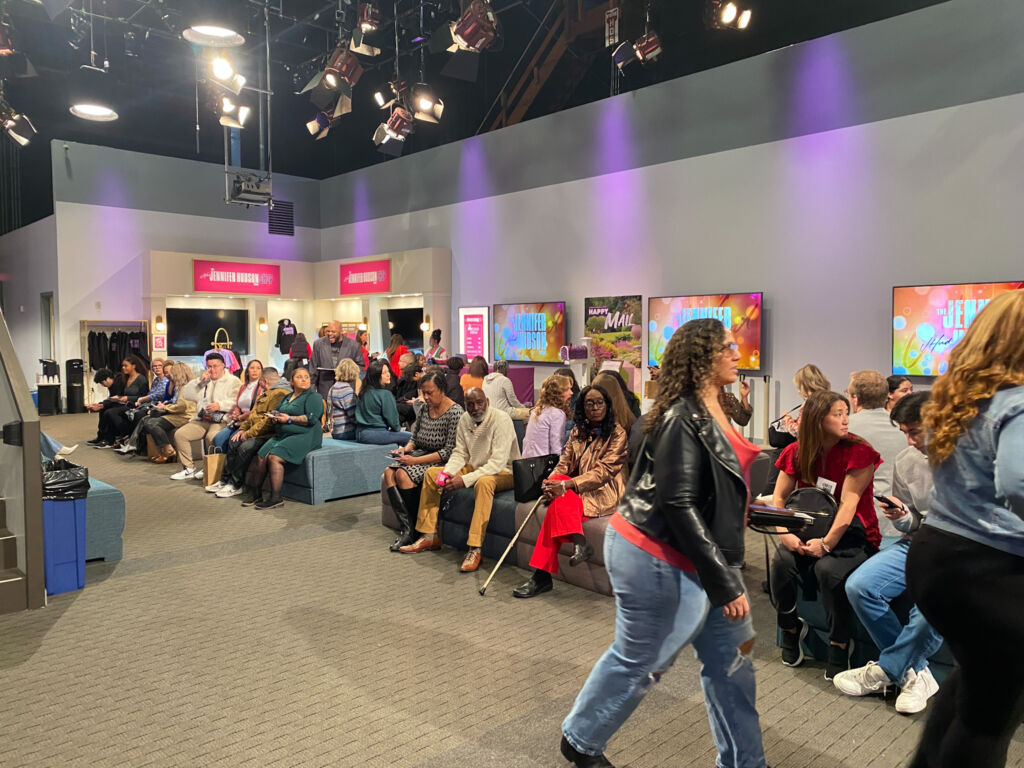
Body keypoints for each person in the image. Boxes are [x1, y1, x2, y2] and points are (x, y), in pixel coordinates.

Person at [560, 319, 766, 768]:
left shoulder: (717, 407)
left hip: (704, 555)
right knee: (642, 659)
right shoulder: (679, 417)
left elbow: (710, 489)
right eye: (727, 347)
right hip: (657, 555)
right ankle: (580, 739)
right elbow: (677, 501)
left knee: (733, 667)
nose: (737, 353)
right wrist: (725, 582)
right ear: (701, 358)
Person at [906, 290, 1024, 768]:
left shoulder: (962, 399)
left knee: (973, 685)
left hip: (938, 555)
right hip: (988, 571)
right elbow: (1018, 481)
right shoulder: (1017, 402)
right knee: (992, 715)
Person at [836, 392, 943, 714]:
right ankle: (916, 673)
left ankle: (890, 668)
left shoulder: (969, 459)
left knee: (931, 602)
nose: (909, 441)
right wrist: (903, 516)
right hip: (919, 541)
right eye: (905, 433)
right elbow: (912, 521)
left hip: (959, 550)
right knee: (860, 586)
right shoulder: (907, 460)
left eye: (915, 432)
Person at [770, 390, 881, 678]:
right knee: (781, 562)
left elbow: (848, 505)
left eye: (846, 413)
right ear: (818, 419)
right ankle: (791, 629)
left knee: (828, 571)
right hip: (808, 527)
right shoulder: (796, 451)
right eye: (837, 414)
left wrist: (827, 544)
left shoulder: (859, 452)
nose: (846, 420)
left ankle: (840, 644)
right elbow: (779, 498)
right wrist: (785, 534)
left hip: (853, 534)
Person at [513, 384, 629, 598]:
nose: (595, 408)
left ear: (607, 405)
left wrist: (566, 485)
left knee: (556, 507)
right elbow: (564, 462)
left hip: (603, 490)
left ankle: (542, 577)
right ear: (583, 407)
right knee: (558, 494)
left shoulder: (617, 434)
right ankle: (579, 544)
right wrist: (550, 482)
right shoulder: (578, 431)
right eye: (589, 404)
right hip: (574, 489)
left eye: (599, 403)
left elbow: (604, 472)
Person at [399, 388, 520, 573]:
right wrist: (447, 474)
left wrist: (464, 480)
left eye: (479, 403)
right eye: (470, 404)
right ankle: (429, 536)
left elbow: (497, 463)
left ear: (487, 402)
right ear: (466, 405)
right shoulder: (465, 419)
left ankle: (475, 548)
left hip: (505, 470)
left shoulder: (501, 419)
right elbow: (460, 453)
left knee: (484, 482)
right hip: (476, 466)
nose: (476, 408)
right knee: (432, 474)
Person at [384, 370, 464, 551]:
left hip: (439, 459)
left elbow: (449, 451)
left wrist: (415, 461)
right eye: (423, 392)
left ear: (441, 390)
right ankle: (408, 528)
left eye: (429, 393)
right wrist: (405, 449)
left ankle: (417, 530)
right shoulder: (424, 409)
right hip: (420, 453)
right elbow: (414, 437)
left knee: (403, 475)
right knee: (389, 472)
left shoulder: (455, 413)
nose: (425, 397)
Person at [246, 366, 324, 510]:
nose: (304, 380)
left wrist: (289, 419)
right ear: (291, 382)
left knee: (274, 457)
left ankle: (276, 498)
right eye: (299, 377)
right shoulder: (288, 397)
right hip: (283, 434)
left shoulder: (313, 397)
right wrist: (275, 416)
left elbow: (311, 419)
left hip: (305, 434)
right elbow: (278, 410)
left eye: (306, 377)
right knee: (261, 455)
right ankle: (256, 494)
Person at [210, 368, 292, 500]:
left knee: (245, 447)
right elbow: (253, 415)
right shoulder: (266, 393)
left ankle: (236, 484)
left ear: (264, 381)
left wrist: (249, 433)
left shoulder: (279, 393)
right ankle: (225, 480)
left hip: (269, 434)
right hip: (256, 431)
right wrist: (242, 429)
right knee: (234, 440)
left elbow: (268, 421)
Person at [847, 369, 910, 538]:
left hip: (856, 524)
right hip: (900, 521)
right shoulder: (905, 429)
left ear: (855, 399)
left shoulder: (844, 429)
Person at [170, 353, 242, 481]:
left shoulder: (233, 381)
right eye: (209, 367)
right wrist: (199, 381)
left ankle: (209, 467)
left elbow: (237, 401)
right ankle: (188, 468)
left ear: (223, 366)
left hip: (222, 419)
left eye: (215, 366)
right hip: (203, 419)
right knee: (180, 434)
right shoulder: (205, 380)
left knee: (211, 437)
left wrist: (220, 405)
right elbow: (187, 395)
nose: (212, 369)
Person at [142, 362, 198, 464]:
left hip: (185, 416)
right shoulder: (188, 385)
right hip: (184, 414)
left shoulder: (185, 387)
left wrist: (166, 407)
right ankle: (164, 451)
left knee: (151, 423)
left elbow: (181, 407)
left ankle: (168, 450)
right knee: (149, 420)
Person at [770, 363, 832, 450]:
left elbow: (799, 431)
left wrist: (786, 419)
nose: (798, 391)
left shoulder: (810, 404)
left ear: (805, 386)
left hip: (809, 449)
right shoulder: (829, 400)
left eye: (799, 388)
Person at [210, 359, 264, 454]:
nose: (255, 370)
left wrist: (241, 417)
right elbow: (238, 404)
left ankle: (230, 462)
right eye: (252, 368)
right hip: (238, 420)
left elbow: (256, 409)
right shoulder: (243, 387)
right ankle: (220, 462)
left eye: (258, 368)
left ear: (261, 371)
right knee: (218, 439)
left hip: (250, 420)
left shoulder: (261, 387)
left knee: (233, 440)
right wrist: (236, 413)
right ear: (247, 371)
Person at [355, 359, 413, 446]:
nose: (388, 374)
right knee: (413, 437)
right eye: (384, 373)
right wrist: (397, 430)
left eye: (388, 371)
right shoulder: (385, 394)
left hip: (360, 434)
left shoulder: (363, 392)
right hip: (376, 434)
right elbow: (394, 423)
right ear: (376, 376)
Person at [521, 374, 572, 459]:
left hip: (528, 461)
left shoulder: (537, 410)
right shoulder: (557, 414)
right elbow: (556, 449)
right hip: (544, 463)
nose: (571, 392)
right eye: (567, 389)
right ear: (557, 393)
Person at [310, 321, 365, 398]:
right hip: (325, 389)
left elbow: (360, 365)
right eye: (328, 331)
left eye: (333, 332)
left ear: (341, 331)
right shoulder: (318, 344)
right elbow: (313, 367)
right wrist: (311, 390)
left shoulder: (353, 345)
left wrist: (347, 371)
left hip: (346, 389)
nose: (330, 334)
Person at [329, 358, 361, 441]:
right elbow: (353, 414)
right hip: (347, 431)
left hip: (336, 431)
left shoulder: (333, 388)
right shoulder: (346, 390)